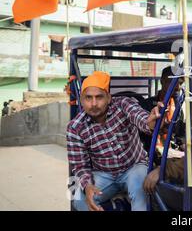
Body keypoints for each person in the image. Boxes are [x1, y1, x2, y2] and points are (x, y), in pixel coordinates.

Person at [67, 71, 163, 211]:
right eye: (88, 98)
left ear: (108, 98)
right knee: (74, 193)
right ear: (81, 100)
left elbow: (140, 117)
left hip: (134, 166)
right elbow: (80, 166)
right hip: (103, 173)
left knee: (140, 191)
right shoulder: (74, 127)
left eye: (99, 97)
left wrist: (149, 122)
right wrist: (87, 186)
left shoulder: (123, 104)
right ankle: (116, 205)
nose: (94, 103)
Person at [140, 66, 185, 154]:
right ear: (162, 81)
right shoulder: (146, 105)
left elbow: (179, 133)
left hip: (173, 149)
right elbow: (142, 134)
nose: (177, 87)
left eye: (180, 83)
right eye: (173, 82)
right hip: (151, 151)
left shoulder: (177, 107)